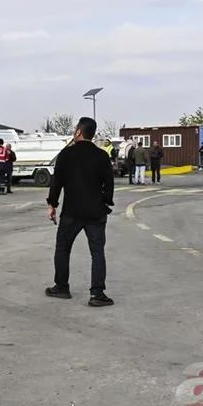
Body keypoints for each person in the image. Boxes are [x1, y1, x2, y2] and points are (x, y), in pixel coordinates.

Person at [45, 117, 115, 307]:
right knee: (97, 252)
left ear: (78, 132)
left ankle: (61, 287)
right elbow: (109, 183)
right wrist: (106, 202)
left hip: (71, 212)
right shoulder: (102, 156)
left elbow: (56, 182)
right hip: (95, 212)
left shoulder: (66, 155)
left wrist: (52, 205)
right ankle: (97, 294)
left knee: (63, 248)